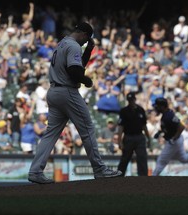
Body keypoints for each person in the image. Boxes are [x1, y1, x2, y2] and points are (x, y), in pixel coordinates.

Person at [28, 22, 122, 184]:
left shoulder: (62, 43)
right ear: (84, 34)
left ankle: (35, 171)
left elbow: (76, 66)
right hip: (67, 92)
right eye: (86, 40)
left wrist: (88, 51)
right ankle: (99, 169)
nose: (85, 42)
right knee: (88, 129)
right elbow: (75, 71)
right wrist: (87, 80)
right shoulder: (73, 46)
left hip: (54, 91)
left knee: (51, 134)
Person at [117, 92, 151, 176]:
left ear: (135, 99)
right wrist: (119, 141)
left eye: (132, 100)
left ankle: (143, 178)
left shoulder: (141, 110)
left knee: (142, 157)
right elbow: (121, 127)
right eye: (129, 100)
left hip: (139, 137)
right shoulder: (124, 111)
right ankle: (119, 177)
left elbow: (144, 125)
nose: (131, 101)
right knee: (125, 158)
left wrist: (148, 137)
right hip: (128, 137)